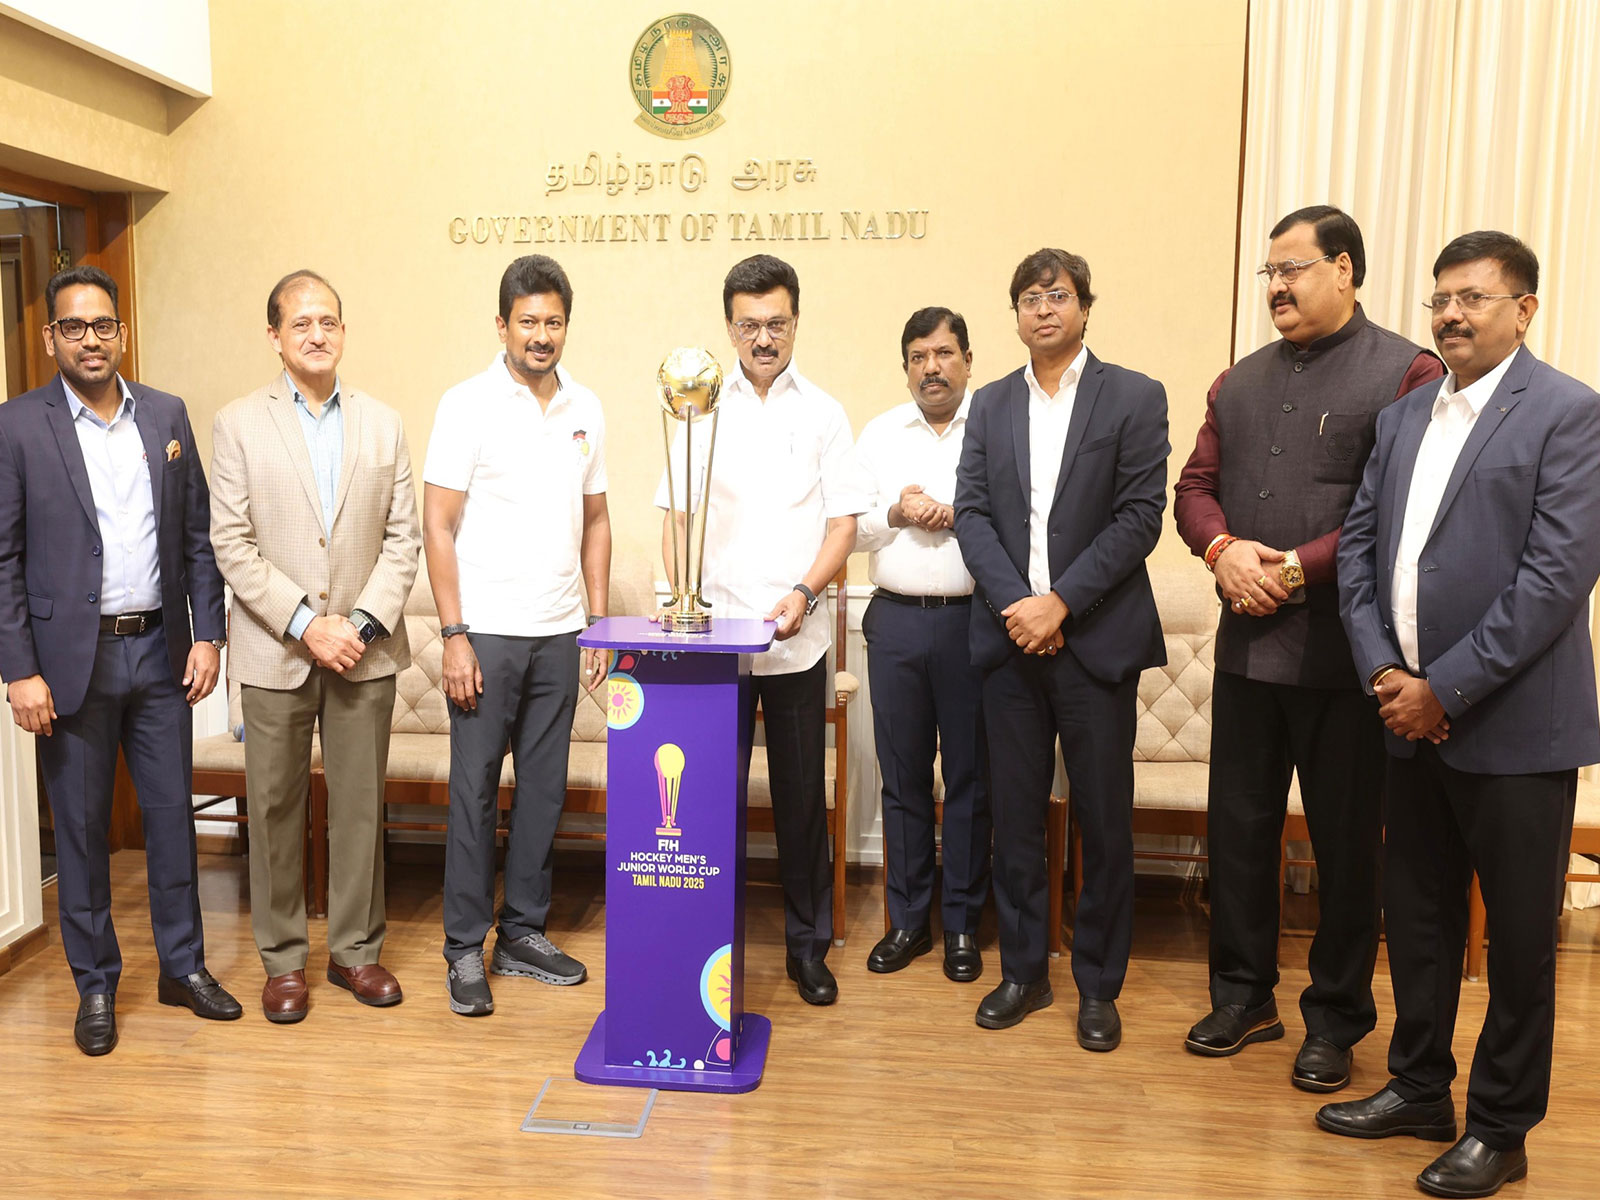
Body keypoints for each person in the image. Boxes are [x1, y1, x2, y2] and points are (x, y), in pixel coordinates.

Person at [1320, 231, 1600, 1199]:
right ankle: (1417, 1090)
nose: (1449, 314)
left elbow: (1553, 579)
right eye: (1440, 298)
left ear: (1523, 310)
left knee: (1517, 941)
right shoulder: (1403, 420)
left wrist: (1445, 688)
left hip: (1515, 730)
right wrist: (1386, 679)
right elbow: (1358, 558)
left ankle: (1500, 1129)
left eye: (1473, 298)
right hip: (1405, 714)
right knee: (1422, 919)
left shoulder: (1567, 414)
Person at [1173, 205, 1443, 1090]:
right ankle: (1244, 995)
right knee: (1239, 836)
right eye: (1270, 272)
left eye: (1294, 269)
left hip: (1347, 657)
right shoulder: (1237, 381)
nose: (1279, 286)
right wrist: (1223, 551)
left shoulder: (1408, 371)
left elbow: (1388, 510)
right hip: (1248, 653)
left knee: (1345, 848)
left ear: (1346, 270)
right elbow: (1195, 487)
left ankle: (1335, 1020)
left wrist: (1289, 568)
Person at [0, 265, 240, 1054]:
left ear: (121, 332)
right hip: (70, 668)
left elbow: (197, 537)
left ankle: (183, 968)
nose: (90, 339)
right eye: (73, 327)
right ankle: (96, 985)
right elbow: (2, 558)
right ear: (50, 339)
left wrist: (207, 635)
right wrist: (18, 670)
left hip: (161, 656)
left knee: (173, 822)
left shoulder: (165, 414)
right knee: (80, 830)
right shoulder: (17, 426)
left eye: (102, 325)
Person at [953, 247, 1168, 1048]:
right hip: (1010, 643)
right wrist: (1018, 604)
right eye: (1029, 298)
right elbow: (970, 513)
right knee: (1014, 816)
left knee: (1104, 820)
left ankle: (1099, 986)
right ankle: (1024, 974)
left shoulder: (1134, 397)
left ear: (1084, 306)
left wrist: (1062, 603)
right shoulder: (992, 403)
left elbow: (1140, 517)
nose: (1043, 308)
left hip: (1095, 641)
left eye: (1058, 294)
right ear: (1015, 315)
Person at [654, 253, 866, 1005]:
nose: (764, 338)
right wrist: (671, 601)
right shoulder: (699, 406)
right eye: (749, 325)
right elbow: (678, 514)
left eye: (777, 323)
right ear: (731, 328)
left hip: (797, 640)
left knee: (802, 804)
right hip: (714, 645)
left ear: (796, 321)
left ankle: (808, 949)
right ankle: (711, 940)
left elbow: (843, 525)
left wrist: (806, 593)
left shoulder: (825, 413)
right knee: (710, 803)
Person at [210, 270, 420, 1023]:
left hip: (366, 652)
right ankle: (283, 961)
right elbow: (230, 544)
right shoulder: (238, 423)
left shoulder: (384, 424)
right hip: (277, 651)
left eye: (328, 321)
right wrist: (307, 624)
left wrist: (358, 625)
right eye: (300, 323)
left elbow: (404, 542)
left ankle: (358, 954)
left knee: (361, 806)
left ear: (343, 331)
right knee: (273, 806)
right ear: (275, 336)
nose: (317, 334)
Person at [423, 254, 610, 1016]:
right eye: (527, 321)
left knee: (542, 791)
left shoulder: (586, 406)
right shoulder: (466, 404)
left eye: (553, 322)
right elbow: (437, 523)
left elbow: (596, 520)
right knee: (473, 791)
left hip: (560, 630)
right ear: (501, 324)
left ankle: (523, 934)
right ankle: (465, 946)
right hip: (487, 635)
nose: (541, 335)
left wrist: (596, 622)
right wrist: (454, 634)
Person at [855, 306, 989, 983]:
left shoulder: (996, 425)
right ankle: (908, 921)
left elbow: (1015, 520)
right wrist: (896, 512)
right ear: (906, 365)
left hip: (974, 624)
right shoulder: (879, 434)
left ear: (968, 359)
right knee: (902, 777)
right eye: (918, 356)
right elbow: (848, 531)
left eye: (943, 353)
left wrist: (957, 514)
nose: (931, 367)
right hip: (898, 621)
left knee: (969, 777)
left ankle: (963, 924)